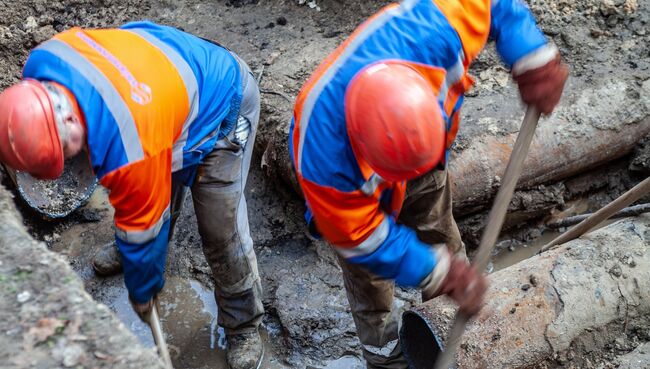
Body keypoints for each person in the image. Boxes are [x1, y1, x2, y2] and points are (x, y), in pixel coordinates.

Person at [289, 0, 568, 367]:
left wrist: (531, 55)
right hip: (359, 194)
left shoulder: (437, 28)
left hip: (426, 157)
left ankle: (457, 339)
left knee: (440, 233)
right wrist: (435, 271)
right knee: (370, 276)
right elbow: (362, 239)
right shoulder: (323, 156)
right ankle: (385, 354)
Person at [0, 21, 264, 369]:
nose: (73, 160)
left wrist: (143, 289)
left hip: (224, 103)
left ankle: (244, 324)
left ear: (65, 116)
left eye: (68, 149)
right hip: (161, 88)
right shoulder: (41, 62)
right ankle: (137, 249)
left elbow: (143, 217)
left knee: (220, 228)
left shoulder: (131, 139)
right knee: (147, 184)